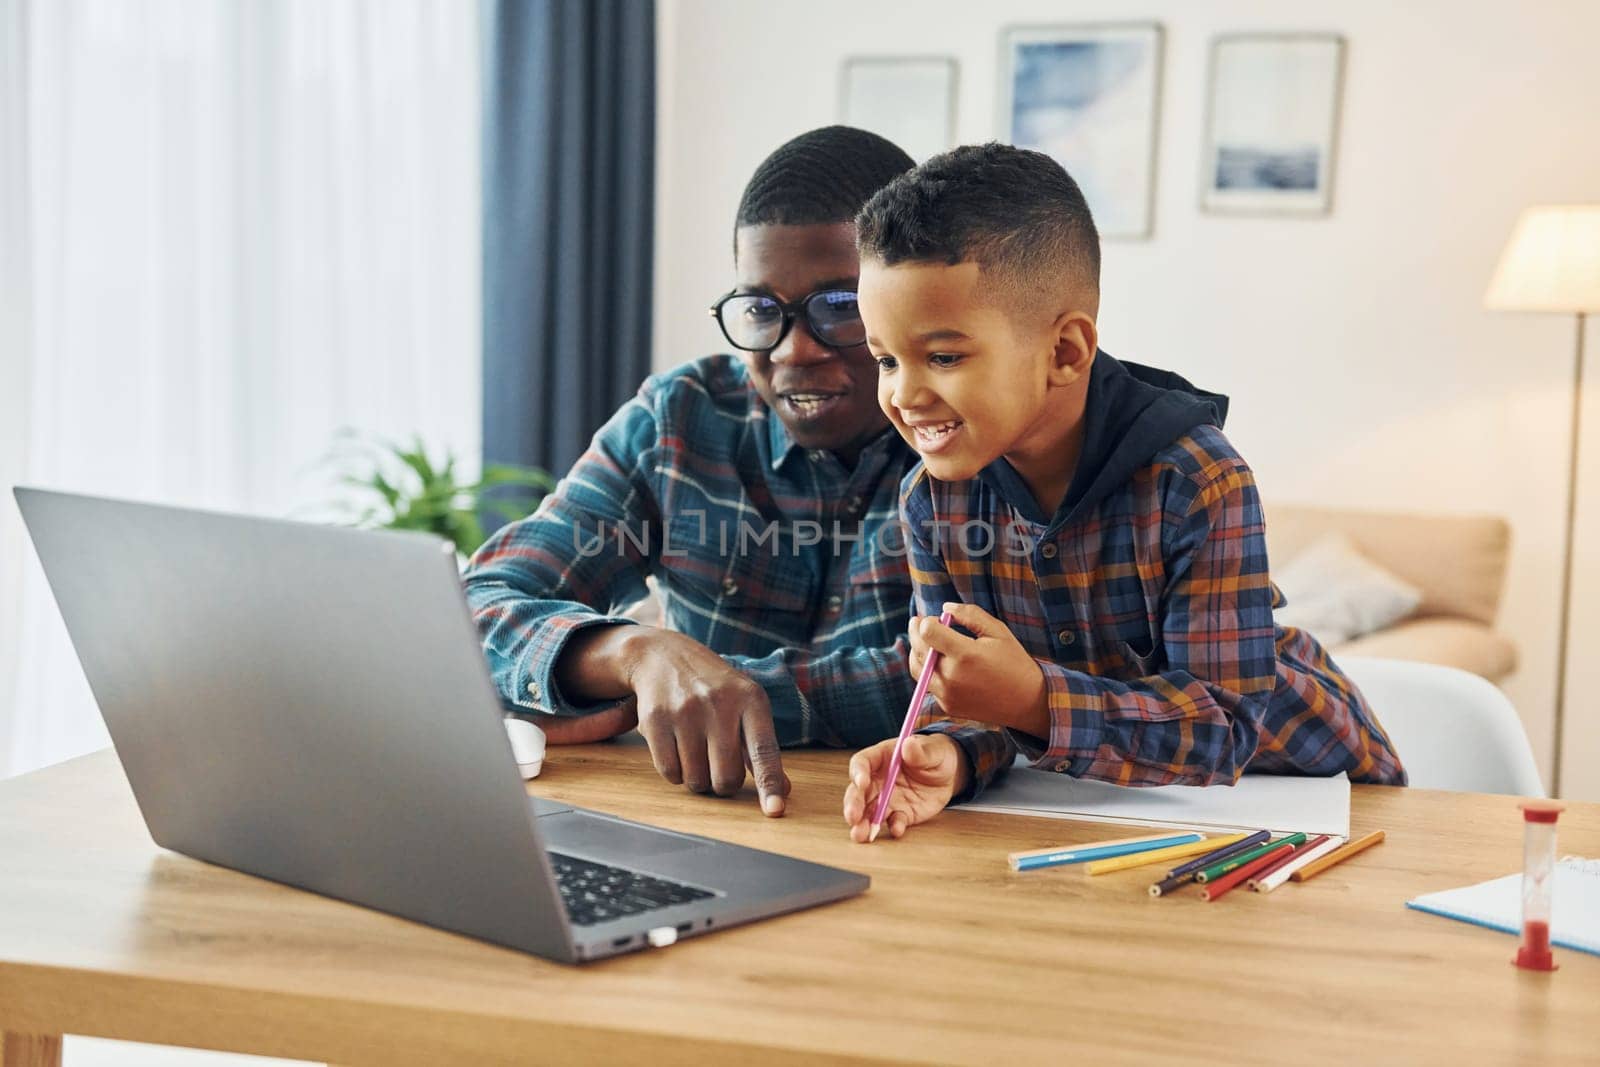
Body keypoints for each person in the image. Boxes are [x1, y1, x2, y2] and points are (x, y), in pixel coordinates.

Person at [840, 143, 1406, 842]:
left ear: (1067, 352)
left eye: (944, 356)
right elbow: (975, 702)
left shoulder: (1198, 479)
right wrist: (952, 753)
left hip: (1320, 799)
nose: (903, 393)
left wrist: (1035, 698)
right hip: (1118, 811)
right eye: (884, 358)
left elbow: (1225, 724)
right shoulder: (932, 500)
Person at [464, 127, 920, 818]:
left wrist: (676, 696)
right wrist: (635, 654)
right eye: (762, 311)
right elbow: (479, 603)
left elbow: (944, 681)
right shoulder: (679, 419)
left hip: (909, 832)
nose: (794, 350)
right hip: (702, 818)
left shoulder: (975, 436)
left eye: (841, 307)